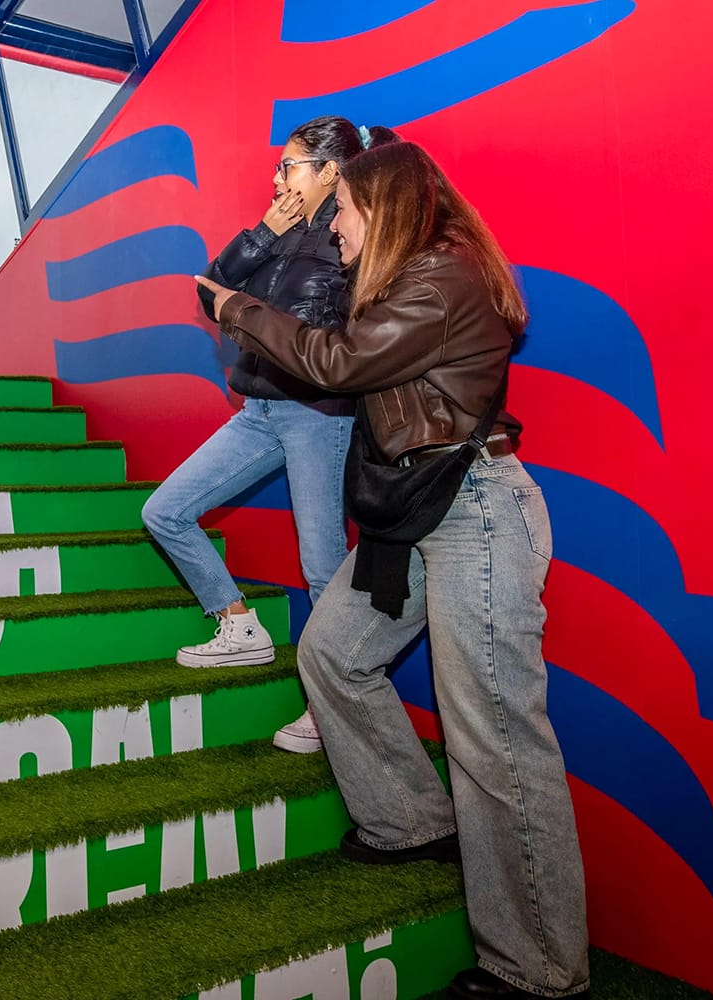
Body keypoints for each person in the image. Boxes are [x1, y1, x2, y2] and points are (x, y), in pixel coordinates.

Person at [195, 141, 589, 999]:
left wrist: (236, 310)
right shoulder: (398, 279)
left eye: (345, 210)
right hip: (413, 513)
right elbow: (334, 345)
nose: (333, 224)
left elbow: (339, 362)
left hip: (474, 508)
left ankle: (540, 971)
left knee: (493, 735)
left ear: (387, 211)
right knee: (332, 653)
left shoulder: (440, 276)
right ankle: (409, 821)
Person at [142, 118, 394, 756]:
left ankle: (330, 705)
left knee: (320, 565)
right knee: (165, 510)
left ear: (330, 171)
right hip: (258, 410)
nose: (278, 177)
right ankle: (237, 626)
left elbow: (354, 337)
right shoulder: (280, 233)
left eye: (291, 165)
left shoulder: (353, 235)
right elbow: (211, 288)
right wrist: (265, 233)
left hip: (317, 415)